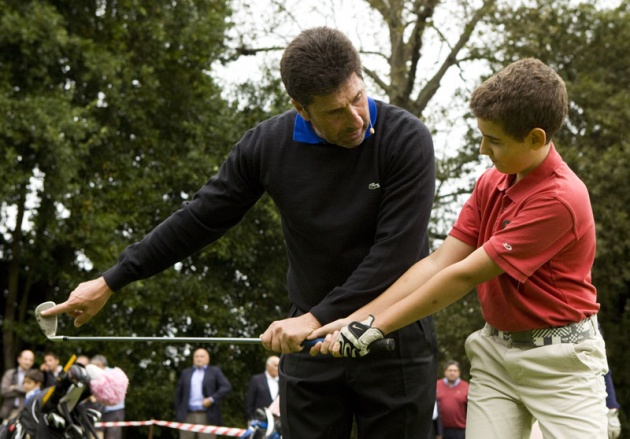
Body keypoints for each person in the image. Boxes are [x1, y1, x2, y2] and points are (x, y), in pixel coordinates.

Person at [40, 26, 438, 438]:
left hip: (393, 339)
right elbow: (199, 218)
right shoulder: (267, 146)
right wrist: (110, 280)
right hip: (308, 348)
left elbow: (396, 254)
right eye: (335, 112)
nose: (357, 118)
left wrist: (316, 317)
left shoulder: (405, 139)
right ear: (301, 108)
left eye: (358, 98)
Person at [312, 58, 609, 438]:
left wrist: (376, 326)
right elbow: (439, 261)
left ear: (535, 138)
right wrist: (360, 319)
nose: (484, 149)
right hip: (496, 356)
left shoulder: (560, 198)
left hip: (562, 364)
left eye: (495, 140)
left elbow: (464, 274)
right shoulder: (492, 182)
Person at [174, 348, 232, 439]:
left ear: (207, 359)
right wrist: (179, 414)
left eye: (202, 356)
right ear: (193, 359)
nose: (198, 359)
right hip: (187, 416)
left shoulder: (214, 371)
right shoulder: (186, 373)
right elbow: (178, 395)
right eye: (196, 356)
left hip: (207, 416)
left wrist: (211, 399)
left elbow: (226, 387)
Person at [91, 354, 125, 439]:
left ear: (99, 365)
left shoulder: (112, 374)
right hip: (100, 410)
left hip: (114, 411)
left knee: (113, 436)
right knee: (96, 435)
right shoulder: (98, 375)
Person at [436, 361, 468, 439]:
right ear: (445, 372)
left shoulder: (466, 387)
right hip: (440, 430)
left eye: (455, 371)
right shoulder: (436, 385)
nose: (452, 373)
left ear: (459, 373)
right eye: (450, 370)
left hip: (460, 430)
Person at [1, 349, 35, 423]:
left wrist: (14, 387)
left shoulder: (34, 375)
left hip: (26, 413)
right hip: (9, 412)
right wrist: (24, 390)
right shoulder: (10, 373)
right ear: (19, 359)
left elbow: (34, 392)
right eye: (26, 359)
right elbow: (4, 391)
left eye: (31, 360)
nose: (28, 362)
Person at [244, 356, 280, 422]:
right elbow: (249, 401)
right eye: (276, 365)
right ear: (267, 366)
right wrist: (250, 419)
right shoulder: (256, 379)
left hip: (277, 424)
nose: (278, 368)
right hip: (259, 421)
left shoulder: (282, 382)